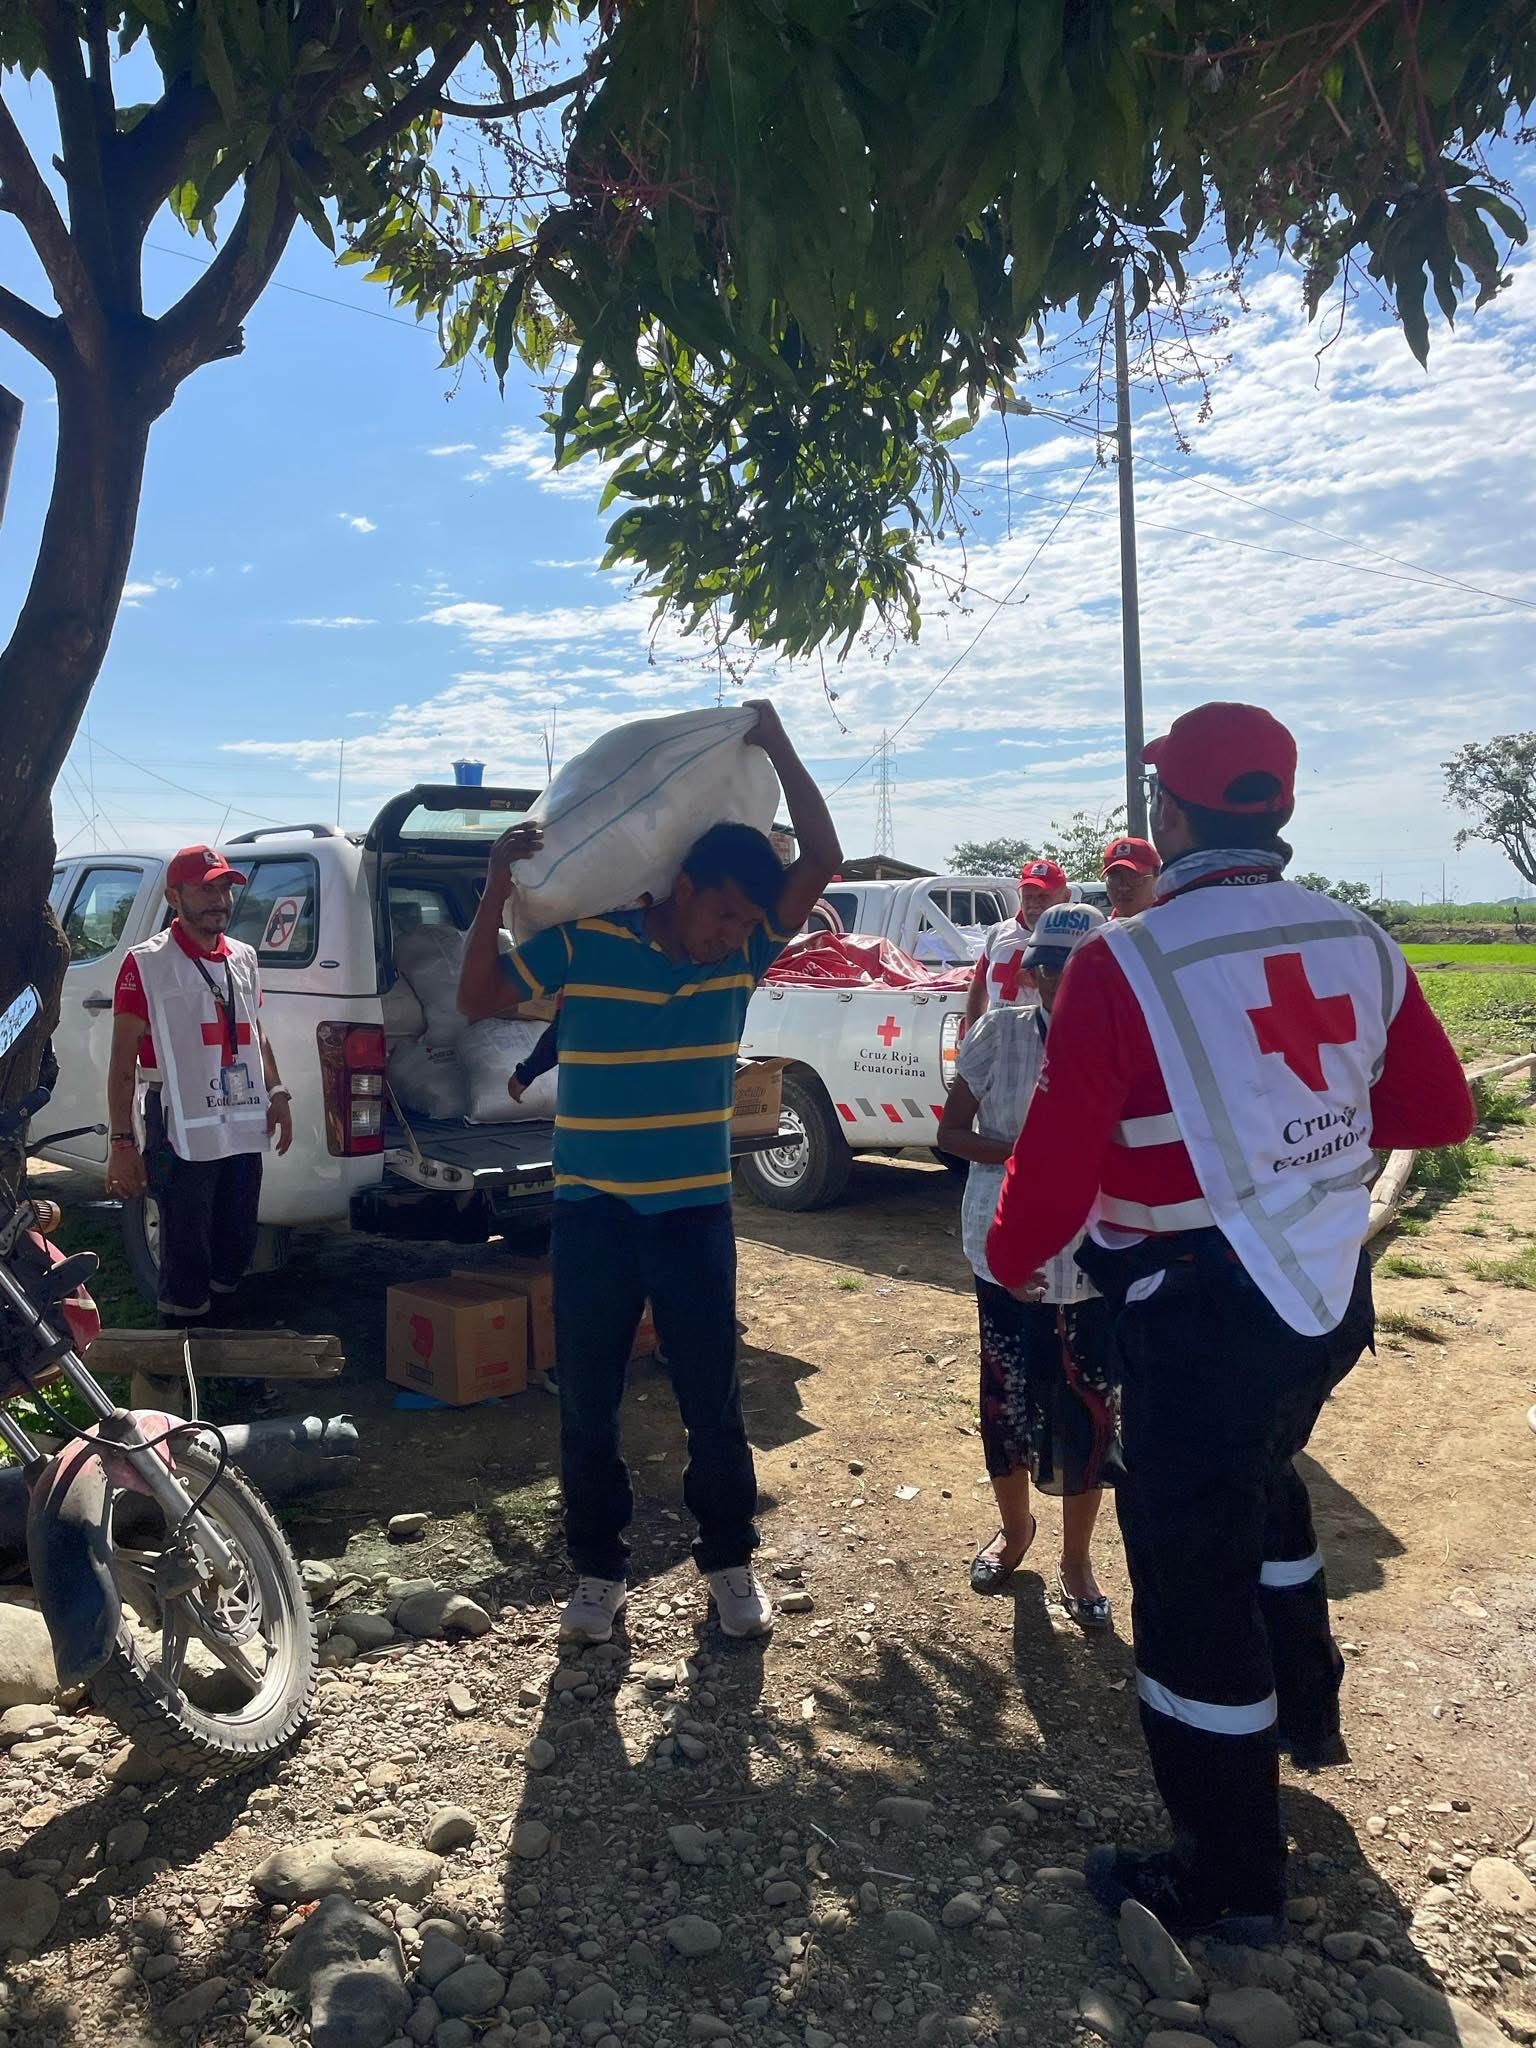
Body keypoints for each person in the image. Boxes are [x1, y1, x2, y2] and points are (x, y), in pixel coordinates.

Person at [986, 702, 1475, 1942]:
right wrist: (1306, 1139)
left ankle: (1230, 1877)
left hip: (1197, 1316)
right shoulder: (1359, 938)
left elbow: (1051, 1166)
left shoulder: (1125, 960)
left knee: (1191, 1575)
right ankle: (1306, 1711)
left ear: (1170, 813)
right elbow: (1438, 1111)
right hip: (1325, 1300)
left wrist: (1008, 1258)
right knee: (1266, 1483)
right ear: (1283, 808)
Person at [458, 701, 840, 1645]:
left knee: (712, 1399)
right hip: (593, 1215)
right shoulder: (587, 944)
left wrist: (777, 742)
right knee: (588, 1404)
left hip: (695, 1217)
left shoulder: (743, 957)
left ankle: (730, 1563)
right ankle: (598, 1574)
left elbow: (823, 858)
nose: (732, 933)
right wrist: (494, 886)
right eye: (723, 912)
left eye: (747, 920)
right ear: (683, 886)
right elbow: (476, 996)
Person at [939, 901, 1117, 1623]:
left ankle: (1077, 1561)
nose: (1054, 981)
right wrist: (1025, 1155)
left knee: (1088, 1412)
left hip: (1094, 1259)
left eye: (1071, 970)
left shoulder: (1126, 1037)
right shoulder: (999, 1031)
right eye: (1045, 967)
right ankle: (1015, 1534)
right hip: (1003, 1246)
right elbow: (952, 1133)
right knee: (1006, 1402)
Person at [105, 846, 294, 1325]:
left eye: (225, 889)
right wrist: (123, 1143)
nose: (219, 900)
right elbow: (123, 1059)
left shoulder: (244, 958)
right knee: (186, 1244)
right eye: (206, 890)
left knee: (237, 1238)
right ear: (174, 896)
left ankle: (226, 1341)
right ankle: (183, 1345)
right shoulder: (146, 963)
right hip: (179, 1119)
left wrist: (277, 1092)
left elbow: (253, 1030)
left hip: (241, 1117)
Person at [963, 857, 1071, 1030]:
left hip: (1045, 1040)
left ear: (1066, 896)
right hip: (999, 1039)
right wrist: (973, 1035)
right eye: (1028, 896)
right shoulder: (999, 933)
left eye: (1043, 896)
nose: (1034, 904)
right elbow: (979, 987)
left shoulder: (1076, 937)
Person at [1102, 833, 1160, 919]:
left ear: (1157, 880)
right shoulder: (1100, 926)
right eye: (1114, 877)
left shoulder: (1175, 924)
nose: (1123, 887)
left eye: (1134, 877)